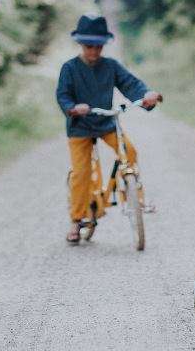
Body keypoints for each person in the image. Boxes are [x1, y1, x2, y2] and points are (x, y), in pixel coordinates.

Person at [56, 14, 160, 245]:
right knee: (81, 172)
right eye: (89, 45)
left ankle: (137, 200)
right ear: (81, 44)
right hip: (80, 126)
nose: (94, 50)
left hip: (105, 122)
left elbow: (130, 83)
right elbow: (62, 95)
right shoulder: (70, 68)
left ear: (104, 45)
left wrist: (146, 95)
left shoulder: (110, 66)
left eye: (98, 46)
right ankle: (76, 219)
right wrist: (73, 108)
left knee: (129, 152)